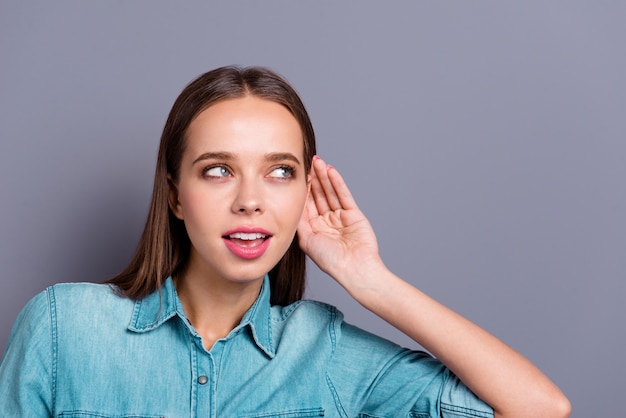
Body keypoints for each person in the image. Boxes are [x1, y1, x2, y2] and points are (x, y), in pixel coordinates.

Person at [0, 66, 570, 417]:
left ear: (303, 190)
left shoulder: (328, 354)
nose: (251, 199)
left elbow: (538, 408)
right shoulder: (61, 329)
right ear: (175, 196)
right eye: (218, 169)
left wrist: (372, 281)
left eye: (279, 171)